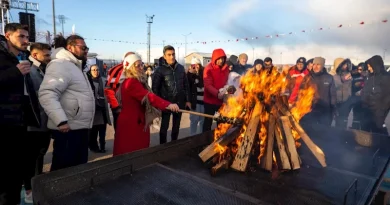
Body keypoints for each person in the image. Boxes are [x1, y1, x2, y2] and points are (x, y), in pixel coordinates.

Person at [39, 35, 95, 171]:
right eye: (83, 47)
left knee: (77, 168)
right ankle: (57, 192)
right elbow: (47, 93)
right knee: (64, 170)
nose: (86, 50)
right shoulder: (61, 65)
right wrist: (61, 121)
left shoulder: (75, 66)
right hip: (68, 129)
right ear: (70, 47)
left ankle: (76, 192)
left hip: (78, 127)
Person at [113, 54, 179, 156]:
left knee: (133, 151)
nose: (141, 67)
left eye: (141, 64)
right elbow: (148, 97)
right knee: (131, 152)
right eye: (138, 65)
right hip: (132, 124)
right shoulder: (131, 82)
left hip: (134, 121)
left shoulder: (133, 81)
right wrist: (167, 104)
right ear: (131, 68)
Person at [0, 23, 30, 205]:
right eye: (21, 36)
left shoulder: (17, 57)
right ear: (7, 36)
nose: (26, 40)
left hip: (18, 123)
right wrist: (15, 72)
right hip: (3, 126)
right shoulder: (3, 58)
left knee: (15, 175)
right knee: (4, 178)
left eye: (27, 37)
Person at [22, 42, 52, 203]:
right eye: (46, 55)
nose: (49, 57)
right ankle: (30, 191)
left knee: (39, 155)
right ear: (35, 55)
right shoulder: (29, 71)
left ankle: (37, 183)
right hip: (33, 124)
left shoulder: (42, 69)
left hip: (44, 123)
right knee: (31, 158)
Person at [152, 45, 191, 144]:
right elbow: (155, 89)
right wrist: (159, 104)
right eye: (169, 55)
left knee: (176, 128)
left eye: (173, 54)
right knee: (164, 128)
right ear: (164, 56)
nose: (172, 57)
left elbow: (186, 85)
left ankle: (174, 146)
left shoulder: (181, 68)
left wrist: (187, 100)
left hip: (179, 103)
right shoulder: (159, 70)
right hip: (166, 104)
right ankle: (163, 148)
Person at [301, 57, 337, 126]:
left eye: (318, 64)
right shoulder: (307, 77)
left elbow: (333, 95)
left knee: (325, 131)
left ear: (323, 65)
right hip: (311, 110)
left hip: (325, 110)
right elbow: (301, 92)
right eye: (314, 64)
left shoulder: (329, 77)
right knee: (311, 130)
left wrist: (334, 108)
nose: (315, 67)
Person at [104, 51, 135, 129]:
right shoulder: (116, 70)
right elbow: (108, 89)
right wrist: (116, 106)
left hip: (134, 107)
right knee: (120, 132)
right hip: (120, 108)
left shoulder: (137, 70)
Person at [361, 55, 390, 134]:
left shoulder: (386, 78)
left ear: (376, 65)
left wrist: (381, 111)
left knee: (378, 131)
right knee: (366, 131)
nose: (369, 69)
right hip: (367, 109)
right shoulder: (371, 76)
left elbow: (386, 97)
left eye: (370, 66)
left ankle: (382, 144)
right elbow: (367, 90)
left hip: (378, 111)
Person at [202, 48, 229, 133]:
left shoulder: (226, 68)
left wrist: (229, 89)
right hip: (209, 101)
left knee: (221, 122)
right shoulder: (208, 69)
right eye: (219, 58)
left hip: (221, 101)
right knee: (207, 123)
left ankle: (220, 140)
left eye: (223, 58)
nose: (221, 61)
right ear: (214, 58)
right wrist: (217, 93)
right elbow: (208, 85)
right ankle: (205, 141)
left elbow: (228, 80)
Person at [87, 65, 111, 153]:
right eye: (93, 70)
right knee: (93, 131)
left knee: (102, 129)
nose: (95, 72)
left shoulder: (103, 81)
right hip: (94, 110)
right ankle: (94, 146)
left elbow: (109, 91)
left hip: (102, 109)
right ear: (90, 71)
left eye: (97, 70)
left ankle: (102, 146)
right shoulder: (88, 82)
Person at [331, 58, 353, 129]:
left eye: (346, 64)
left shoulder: (347, 73)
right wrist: (343, 80)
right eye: (343, 64)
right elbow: (333, 87)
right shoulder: (332, 74)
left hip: (345, 101)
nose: (345, 66)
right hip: (336, 101)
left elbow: (349, 86)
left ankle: (342, 134)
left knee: (343, 120)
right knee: (333, 119)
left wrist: (349, 95)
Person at [187, 57, 205, 135]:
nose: (196, 67)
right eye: (194, 65)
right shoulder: (189, 75)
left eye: (198, 65)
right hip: (195, 101)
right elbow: (187, 86)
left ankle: (200, 137)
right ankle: (192, 136)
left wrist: (199, 73)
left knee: (202, 120)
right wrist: (191, 73)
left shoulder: (203, 74)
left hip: (203, 101)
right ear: (191, 66)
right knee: (194, 120)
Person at [351, 63, 366, 129]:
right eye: (359, 69)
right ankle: (355, 129)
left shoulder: (368, 77)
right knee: (356, 116)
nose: (360, 71)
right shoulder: (355, 76)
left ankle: (364, 131)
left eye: (361, 69)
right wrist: (355, 85)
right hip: (356, 100)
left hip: (365, 101)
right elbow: (351, 87)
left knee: (364, 118)